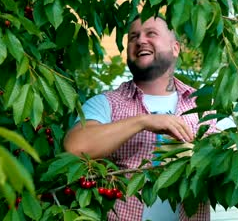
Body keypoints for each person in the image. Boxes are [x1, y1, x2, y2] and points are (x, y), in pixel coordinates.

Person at [64, 15, 216, 221]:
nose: (140, 40)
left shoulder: (206, 106)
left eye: (151, 33)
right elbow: (75, 147)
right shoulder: (105, 103)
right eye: (133, 37)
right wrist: (143, 121)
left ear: (175, 48)